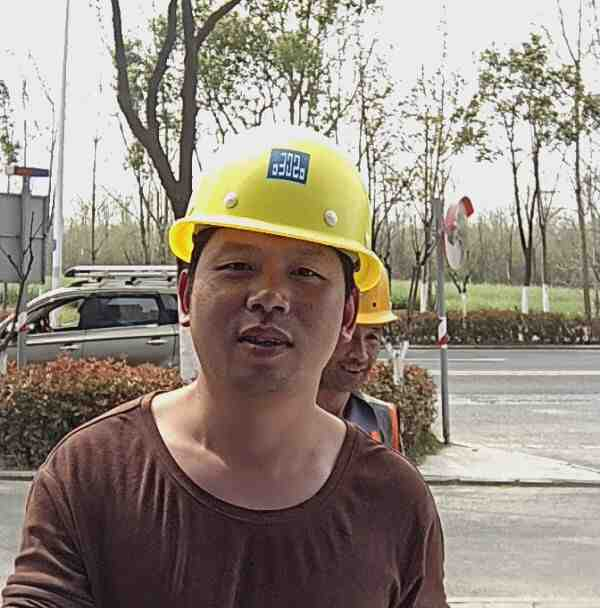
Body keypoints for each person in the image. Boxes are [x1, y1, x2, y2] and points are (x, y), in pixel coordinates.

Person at [2, 126, 448, 608]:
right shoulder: (93, 473)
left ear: (347, 314)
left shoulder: (395, 501)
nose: (270, 297)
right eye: (238, 266)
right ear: (186, 294)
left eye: (305, 273)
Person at [318, 267, 404, 452]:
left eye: (372, 337)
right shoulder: (271, 422)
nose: (361, 354)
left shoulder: (382, 418)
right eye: (347, 336)